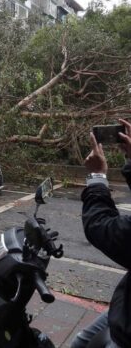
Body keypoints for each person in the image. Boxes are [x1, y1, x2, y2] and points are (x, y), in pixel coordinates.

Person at [71, 118, 131, 348]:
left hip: (126, 334)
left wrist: (97, 176)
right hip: (123, 306)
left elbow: (101, 228)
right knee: (79, 342)